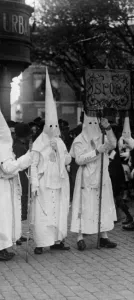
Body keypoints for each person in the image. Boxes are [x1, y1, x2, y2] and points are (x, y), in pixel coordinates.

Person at [30, 68, 71, 255]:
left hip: (59, 183)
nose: (54, 128)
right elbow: (34, 163)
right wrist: (34, 184)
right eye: (51, 126)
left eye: (56, 126)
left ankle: (57, 240)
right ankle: (40, 242)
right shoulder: (39, 143)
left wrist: (60, 152)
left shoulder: (61, 142)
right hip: (44, 184)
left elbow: (68, 159)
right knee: (43, 213)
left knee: (58, 212)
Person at [70, 113, 117, 250]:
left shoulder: (102, 137)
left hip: (102, 176)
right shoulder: (79, 140)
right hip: (86, 178)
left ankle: (104, 236)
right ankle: (80, 237)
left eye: (95, 123)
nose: (93, 126)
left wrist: (108, 128)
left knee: (102, 205)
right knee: (84, 206)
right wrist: (96, 151)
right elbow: (79, 159)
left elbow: (113, 144)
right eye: (89, 123)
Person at [0, 109, 32, 261]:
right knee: (2, 218)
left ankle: (4, 247)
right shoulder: (2, 148)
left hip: (6, 186)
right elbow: (7, 168)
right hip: (3, 187)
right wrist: (26, 158)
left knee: (5, 218)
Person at [13, 123, 33, 245]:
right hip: (21, 179)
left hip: (23, 178)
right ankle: (17, 234)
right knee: (20, 208)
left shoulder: (19, 145)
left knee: (22, 207)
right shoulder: (19, 147)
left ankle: (18, 233)